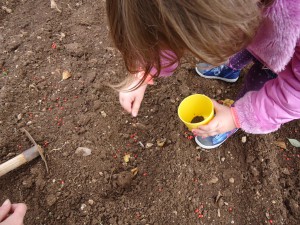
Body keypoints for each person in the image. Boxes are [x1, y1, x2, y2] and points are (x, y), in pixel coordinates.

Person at [105, 0, 300, 149]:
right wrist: (143, 73)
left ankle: (230, 120)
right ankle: (231, 68)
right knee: (247, 47)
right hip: (254, 28)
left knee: (260, 77)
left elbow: (294, 93)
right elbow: (165, 33)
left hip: (286, 53)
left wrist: (238, 116)